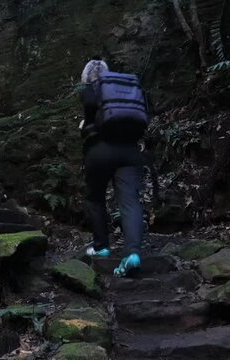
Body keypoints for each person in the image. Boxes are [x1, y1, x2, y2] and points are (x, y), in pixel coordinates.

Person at [79, 56, 145, 277]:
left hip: (100, 151)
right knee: (130, 202)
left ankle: (102, 247)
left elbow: (89, 115)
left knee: (95, 198)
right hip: (130, 152)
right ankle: (133, 253)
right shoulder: (124, 90)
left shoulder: (90, 89)